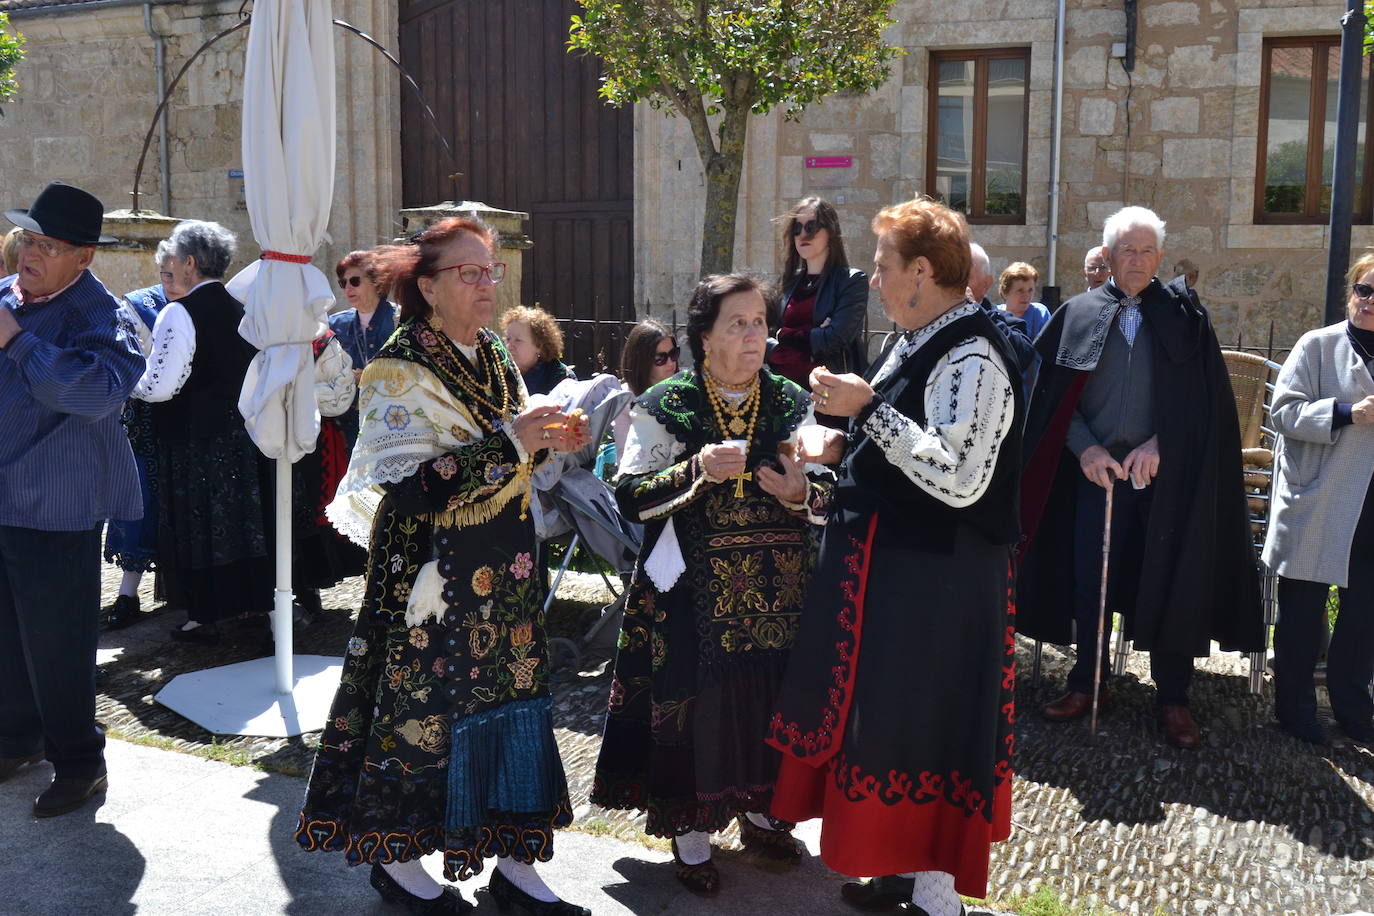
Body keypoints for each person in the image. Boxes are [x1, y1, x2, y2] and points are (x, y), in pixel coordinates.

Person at [297, 217, 591, 916]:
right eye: (471, 273)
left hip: (507, 572)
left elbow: (510, 446)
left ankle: (518, 864)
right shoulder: (397, 366)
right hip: (431, 576)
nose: (489, 284)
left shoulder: (491, 350)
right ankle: (397, 863)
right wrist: (514, 441)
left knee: (517, 709)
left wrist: (545, 438)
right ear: (427, 287)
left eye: (491, 271)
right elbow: (413, 486)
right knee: (421, 715)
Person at [768, 196, 1022, 916]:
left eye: (882, 268)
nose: (872, 281)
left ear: (920, 272)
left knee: (935, 732)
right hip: (899, 578)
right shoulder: (915, 338)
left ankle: (939, 900)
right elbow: (905, 451)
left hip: (942, 586)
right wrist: (839, 450)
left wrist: (865, 412)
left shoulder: (975, 353)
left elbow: (960, 476)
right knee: (888, 729)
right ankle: (897, 873)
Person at [592, 272, 833, 896]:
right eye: (738, 324)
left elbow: (835, 486)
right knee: (696, 702)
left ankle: (761, 809)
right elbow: (629, 496)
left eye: (760, 322)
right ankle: (692, 831)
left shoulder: (788, 399)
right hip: (693, 597)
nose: (755, 336)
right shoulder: (665, 404)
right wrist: (694, 468)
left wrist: (803, 490)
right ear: (704, 337)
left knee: (771, 695)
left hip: (780, 592)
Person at [1018, 206, 1263, 749]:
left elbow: (1204, 404)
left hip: (1163, 482)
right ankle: (1087, 683)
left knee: (1170, 582)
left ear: (1159, 256)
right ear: (1106, 256)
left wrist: (1163, 445)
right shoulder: (1078, 313)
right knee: (1091, 583)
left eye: (1148, 250)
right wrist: (1084, 450)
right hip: (1096, 476)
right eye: (1127, 250)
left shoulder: (1185, 317)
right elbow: (1049, 400)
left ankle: (1173, 698)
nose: (1138, 260)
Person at [0, 181, 144, 816]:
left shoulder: (99, 315)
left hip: (57, 507)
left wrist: (15, 339)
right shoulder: (8, 295)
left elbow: (95, 393)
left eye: (47, 245)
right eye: (27, 238)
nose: (30, 253)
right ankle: (17, 740)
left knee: (58, 643)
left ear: (83, 257)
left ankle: (81, 763)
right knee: (7, 634)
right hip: (3, 498)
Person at [137, 220, 275, 644]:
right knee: (244, 527)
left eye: (171, 262)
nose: (168, 270)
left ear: (189, 263)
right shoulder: (240, 307)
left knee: (201, 529)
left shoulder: (179, 312)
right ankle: (255, 606)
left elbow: (162, 386)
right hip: (240, 437)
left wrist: (127, 380)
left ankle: (204, 614)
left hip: (195, 441)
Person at [1261, 251, 1374, 746]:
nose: (1369, 301)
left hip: (1370, 506)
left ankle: (1354, 708)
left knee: (1363, 616)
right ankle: (1295, 708)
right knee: (1303, 613)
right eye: (1363, 289)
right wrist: (1348, 412)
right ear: (1350, 292)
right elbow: (1283, 412)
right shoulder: (1318, 345)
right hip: (1319, 497)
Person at [102, 280, 170, 629]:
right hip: (142, 424)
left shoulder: (206, 300)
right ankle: (128, 594)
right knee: (138, 503)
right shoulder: (137, 306)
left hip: (191, 426)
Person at [290, 329, 361, 624]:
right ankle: (294, 591)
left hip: (318, 443)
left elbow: (342, 396)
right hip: (279, 440)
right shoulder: (264, 335)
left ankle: (311, 591)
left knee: (314, 510)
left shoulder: (323, 341)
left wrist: (297, 394)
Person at [768, 196, 870, 389]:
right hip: (784, 392)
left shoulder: (852, 281)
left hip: (829, 392)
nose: (802, 235)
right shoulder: (787, 282)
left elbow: (836, 339)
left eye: (811, 227)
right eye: (796, 228)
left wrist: (786, 335)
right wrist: (810, 334)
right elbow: (765, 334)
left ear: (830, 232)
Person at [329, 249, 398, 447]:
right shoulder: (334, 324)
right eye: (343, 282)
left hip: (393, 423)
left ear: (377, 281)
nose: (348, 288)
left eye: (355, 281)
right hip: (348, 427)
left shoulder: (402, 321)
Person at [612, 317, 679, 454]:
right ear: (642, 361)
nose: (670, 363)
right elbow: (624, 454)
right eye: (660, 358)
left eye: (673, 354)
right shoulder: (625, 400)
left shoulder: (683, 388)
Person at [969, 242, 1035, 375]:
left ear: (986, 284)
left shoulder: (1005, 320)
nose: (955, 284)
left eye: (965, 277)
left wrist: (977, 312)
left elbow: (1023, 356)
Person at [503, 304, 575, 396]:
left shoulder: (562, 378)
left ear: (539, 346)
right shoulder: (499, 374)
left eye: (518, 340)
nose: (509, 346)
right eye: (508, 339)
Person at [998, 261, 1051, 341]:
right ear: (1005, 292)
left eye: (1030, 290)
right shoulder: (995, 316)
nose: (1026, 296)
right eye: (1020, 291)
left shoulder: (1040, 314)